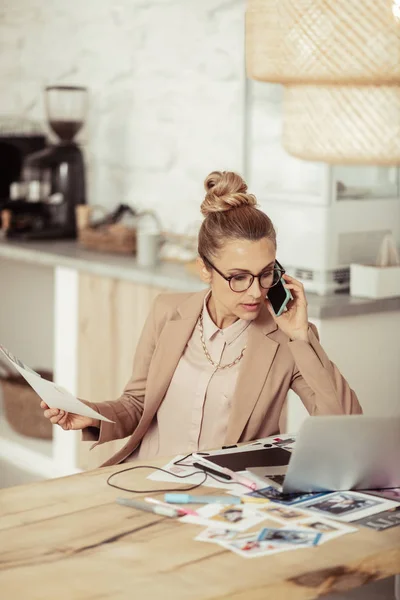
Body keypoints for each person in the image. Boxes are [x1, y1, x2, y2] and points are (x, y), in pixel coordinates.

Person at [41, 170, 362, 467]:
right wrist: (92, 416)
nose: (254, 292)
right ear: (205, 269)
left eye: (265, 275)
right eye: (238, 277)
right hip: (146, 477)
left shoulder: (288, 339)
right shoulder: (167, 312)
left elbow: (343, 427)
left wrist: (301, 337)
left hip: (228, 497)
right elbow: (137, 405)